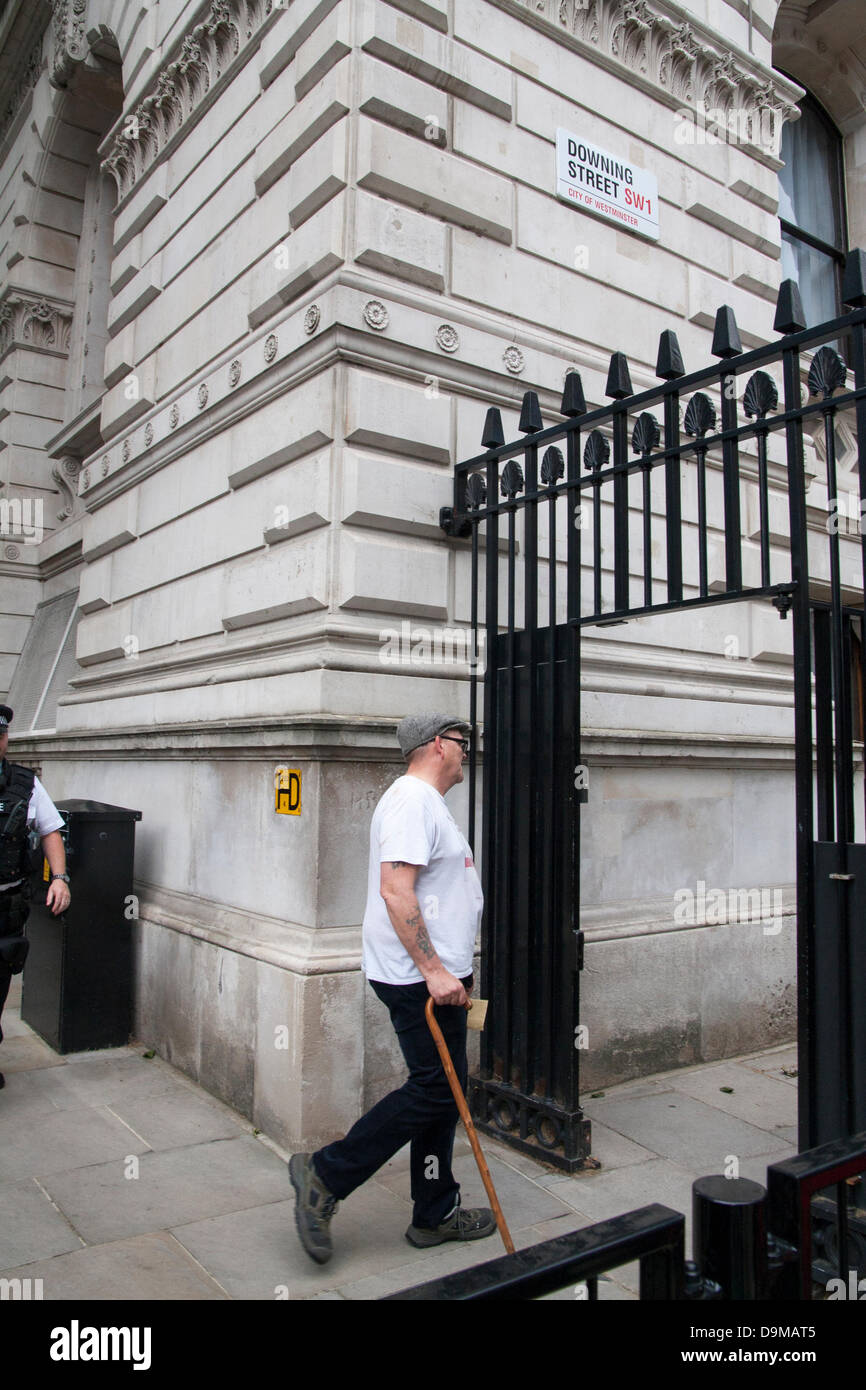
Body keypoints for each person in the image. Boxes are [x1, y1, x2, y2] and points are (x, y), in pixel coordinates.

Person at [289, 711, 495, 1264]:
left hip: (438, 978)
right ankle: (324, 1174)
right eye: (461, 740)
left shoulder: (427, 803)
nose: (467, 749)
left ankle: (435, 1213)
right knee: (433, 1090)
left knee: (443, 1094)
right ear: (435, 745)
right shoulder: (410, 800)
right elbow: (396, 892)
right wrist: (433, 970)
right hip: (419, 980)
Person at [0, 704, 70, 1088]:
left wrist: (59, 877)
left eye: (0, 736)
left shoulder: (25, 784)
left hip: (6, 903)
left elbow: (50, 831)